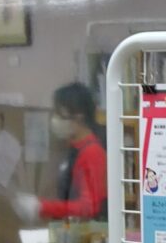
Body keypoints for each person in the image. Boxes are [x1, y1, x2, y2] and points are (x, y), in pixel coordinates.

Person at [13, 82, 107, 223]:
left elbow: (88, 208)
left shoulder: (92, 152)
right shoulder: (75, 148)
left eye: (60, 114)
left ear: (78, 118)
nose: (54, 119)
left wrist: (41, 207)